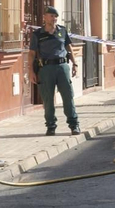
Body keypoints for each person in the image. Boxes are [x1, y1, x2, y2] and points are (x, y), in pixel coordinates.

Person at [28, 7, 79, 136]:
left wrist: (75, 63)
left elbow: (69, 47)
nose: (54, 18)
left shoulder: (62, 30)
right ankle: (51, 126)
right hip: (46, 69)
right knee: (48, 99)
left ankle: (74, 125)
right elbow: (32, 54)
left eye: (55, 16)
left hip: (62, 67)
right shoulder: (38, 34)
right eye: (51, 16)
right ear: (44, 17)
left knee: (68, 97)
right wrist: (31, 72)